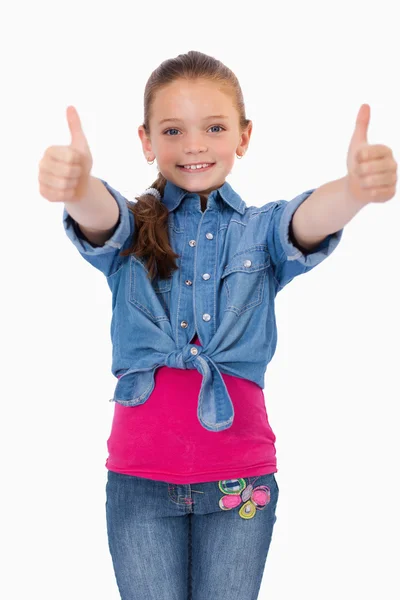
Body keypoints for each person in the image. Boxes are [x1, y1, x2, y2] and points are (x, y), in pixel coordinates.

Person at [38, 50, 397, 600]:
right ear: (146, 141)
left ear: (243, 136)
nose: (195, 145)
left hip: (240, 481)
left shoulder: (261, 230)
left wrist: (352, 189)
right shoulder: (133, 229)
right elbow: (98, 214)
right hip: (139, 481)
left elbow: (307, 220)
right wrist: (77, 184)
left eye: (213, 127)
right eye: (173, 130)